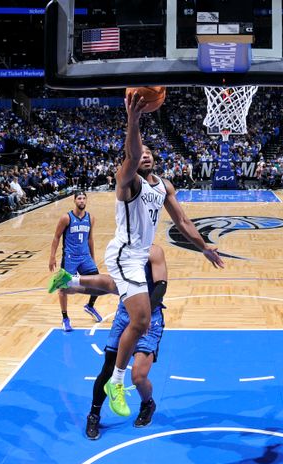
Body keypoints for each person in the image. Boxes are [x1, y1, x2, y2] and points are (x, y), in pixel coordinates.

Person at [49, 91, 224, 418]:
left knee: (121, 294)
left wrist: (204, 246)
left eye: (148, 152)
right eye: (138, 152)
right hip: (123, 251)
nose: (143, 155)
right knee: (141, 318)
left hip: (137, 254)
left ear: (155, 158)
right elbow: (130, 154)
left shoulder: (163, 186)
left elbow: (183, 221)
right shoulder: (127, 183)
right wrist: (134, 119)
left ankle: (71, 280)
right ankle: (115, 381)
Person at [85, 244, 168, 440]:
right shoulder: (122, 251)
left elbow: (161, 286)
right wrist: (74, 284)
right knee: (108, 368)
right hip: (124, 314)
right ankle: (94, 414)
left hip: (151, 316)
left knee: (138, 376)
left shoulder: (154, 251)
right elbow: (111, 284)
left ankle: (148, 403)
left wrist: (145, 315)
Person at [48, 191, 102, 331]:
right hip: (70, 258)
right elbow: (56, 237)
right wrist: (52, 256)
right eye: (79, 198)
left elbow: (90, 239)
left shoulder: (91, 218)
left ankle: (90, 306)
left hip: (85, 257)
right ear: (74, 200)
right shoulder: (66, 218)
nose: (82, 201)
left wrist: (93, 257)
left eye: (84, 198)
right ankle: (65, 318)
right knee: (63, 288)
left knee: (98, 283)